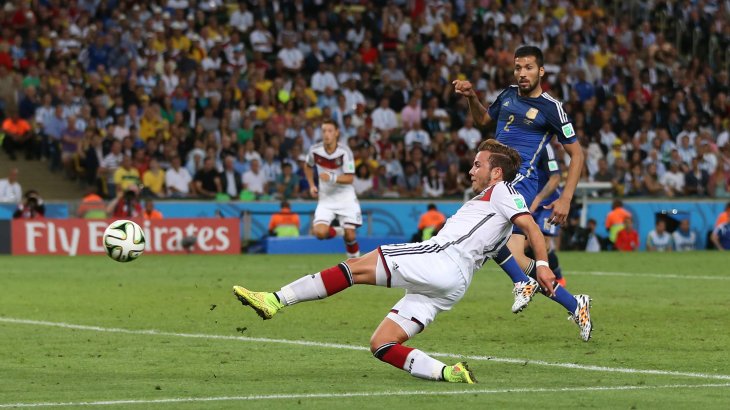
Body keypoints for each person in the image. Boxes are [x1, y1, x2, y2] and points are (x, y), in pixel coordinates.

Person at [233, 140, 591, 385]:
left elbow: (529, 225)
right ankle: (449, 374)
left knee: (355, 267)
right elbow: (498, 249)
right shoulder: (490, 203)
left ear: (496, 172)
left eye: (478, 165)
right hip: (452, 285)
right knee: (382, 344)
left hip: (441, 260)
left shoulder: (502, 192)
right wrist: (521, 278)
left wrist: (542, 266)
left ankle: (276, 301)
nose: (471, 170)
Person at [453, 46, 587, 319]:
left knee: (486, 238)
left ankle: (525, 281)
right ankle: (574, 304)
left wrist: (566, 198)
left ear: (541, 71)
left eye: (528, 68)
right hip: (496, 180)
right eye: (517, 68)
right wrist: (471, 97)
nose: (522, 73)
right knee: (507, 250)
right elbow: (482, 119)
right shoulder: (507, 94)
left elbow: (577, 154)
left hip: (521, 180)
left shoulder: (552, 108)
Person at [304, 119, 362, 258]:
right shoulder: (315, 150)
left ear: (336, 133)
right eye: (324, 131)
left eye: (330, 131)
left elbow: (350, 178)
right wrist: (312, 185)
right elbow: (307, 166)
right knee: (319, 233)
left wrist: (332, 177)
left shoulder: (345, 152)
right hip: (326, 199)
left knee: (350, 235)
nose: (326, 134)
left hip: (345, 197)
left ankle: (355, 265)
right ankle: (339, 231)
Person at [527, 144, 567, 287]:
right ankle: (533, 281)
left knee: (543, 243)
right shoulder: (519, 143)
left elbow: (555, 178)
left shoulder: (545, 146)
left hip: (547, 203)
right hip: (527, 202)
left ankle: (559, 278)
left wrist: (538, 199)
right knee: (525, 246)